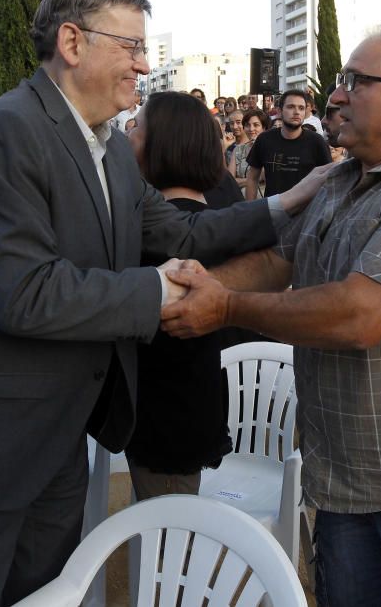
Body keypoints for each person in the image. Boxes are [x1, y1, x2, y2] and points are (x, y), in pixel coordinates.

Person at [0, 0, 326, 606]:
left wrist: (285, 206)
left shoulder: (110, 148)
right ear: (73, 41)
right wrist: (159, 293)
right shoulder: (8, 132)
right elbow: (23, 293)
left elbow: (181, 232)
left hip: (54, 443)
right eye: (132, 47)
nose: (144, 65)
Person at [160, 22, 381, 607]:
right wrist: (193, 289)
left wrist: (222, 306)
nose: (336, 94)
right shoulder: (342, 179)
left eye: (356, 81)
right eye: (339, 80)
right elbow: (282, 258)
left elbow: (359, 314)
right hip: (346, 473)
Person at [122, 91, 233, 500]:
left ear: (161, 145)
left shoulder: (157, 235)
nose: (127, 135)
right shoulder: (222, 211)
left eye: (136, 127)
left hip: (166, 414)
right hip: (188, 406)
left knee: (168, 550)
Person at [245, 89, 331, 200]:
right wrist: (251, 210)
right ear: (279, 111)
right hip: (273, 211)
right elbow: (252, 177)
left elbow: (328, 180)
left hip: (307, 212)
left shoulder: (317, 142)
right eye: (291, 107)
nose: (296, 112)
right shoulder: (264, 139)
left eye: (301, 108)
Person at [232, 108, 269, 187]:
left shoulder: (271, 149)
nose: (251, 129)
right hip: (241, 197)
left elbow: (267, 177)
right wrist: (254, 179)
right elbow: (229, 181)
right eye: (247, 125)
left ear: (264, 127)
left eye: (256, 125)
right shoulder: (238, 150)